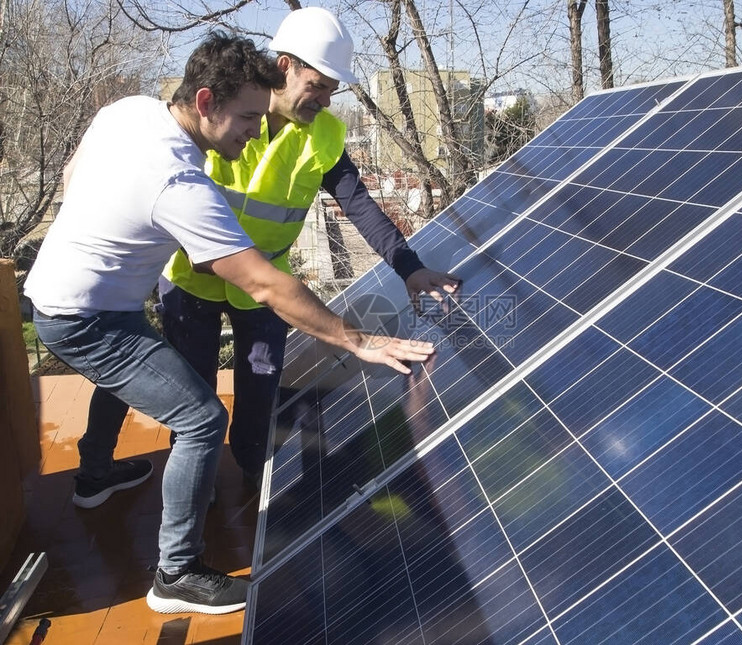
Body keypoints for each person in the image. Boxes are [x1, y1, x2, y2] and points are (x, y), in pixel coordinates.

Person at [24, 32, 435, 615]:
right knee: (199, 415)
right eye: (246, 115)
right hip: (94, 315)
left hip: (81, 295)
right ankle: (177, 573)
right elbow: (263, 283)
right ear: (206, 102)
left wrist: (92, 234)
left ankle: (97, 477)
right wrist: (357, 340)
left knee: (153, 383)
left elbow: (74, 170)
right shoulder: (179, 182)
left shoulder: (131, 111)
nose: (253, 127)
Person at [159, 7, 460, 485]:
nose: (324, 99)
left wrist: (410, 268)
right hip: (191, 277)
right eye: (317, 84)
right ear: (285, 67)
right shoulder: (221, 115)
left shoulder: (324, 136)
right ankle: (196, 489)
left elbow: (359, 206)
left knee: (260, 394)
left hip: (267, 288)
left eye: (332, 90)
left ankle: (254, 490)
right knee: (193, 395)